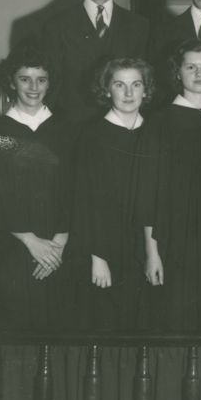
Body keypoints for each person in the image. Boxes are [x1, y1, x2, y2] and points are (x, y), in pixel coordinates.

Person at [0, 45, 72, 330]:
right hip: (11, 244)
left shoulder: (67, 130)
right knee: (17, 328)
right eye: (25, 78)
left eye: (41, 79)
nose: (34, 87)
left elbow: (77, 187)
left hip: (61, 244)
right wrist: (30, 240)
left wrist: (59, 243)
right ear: (11, 82)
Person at [139, 40, 201, 332]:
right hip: (173, 239)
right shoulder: (159, 123)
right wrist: (152, 252)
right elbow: (148, 192)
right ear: (178, 73)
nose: (199, 73)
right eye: (191, 66)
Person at [72, 57, 156, 331]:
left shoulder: (154, 133)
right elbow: (86, 201)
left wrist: (152, 252)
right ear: (107, 90)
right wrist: (98, 258)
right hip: (105, 247)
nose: (129, 93)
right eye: (120, 85)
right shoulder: (93, 136)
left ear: (146, 90)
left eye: (136, 85)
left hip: (145, 245)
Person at [38, 0, 150, 127]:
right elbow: (50, 90)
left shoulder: (139, 26)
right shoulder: (56, 26)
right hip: (73, 132)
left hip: (124, 130)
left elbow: (145, 86)